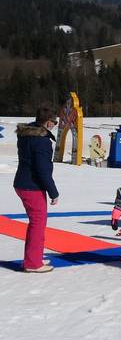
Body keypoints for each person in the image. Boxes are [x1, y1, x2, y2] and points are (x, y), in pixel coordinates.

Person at [13, 106, 60, 273]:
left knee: (36, 223)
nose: (55, 125)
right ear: (48, 123)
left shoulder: (26, 135)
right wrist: (53, 192)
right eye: (54, 122)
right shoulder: (41, 141)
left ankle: (34, 257)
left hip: (22, 183)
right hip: (32, 186)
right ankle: (33, 263)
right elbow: (42, 170)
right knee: (38, 224)